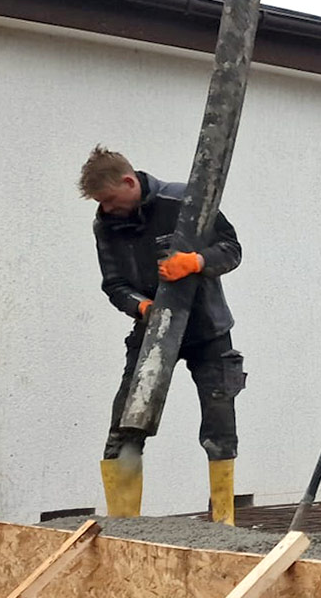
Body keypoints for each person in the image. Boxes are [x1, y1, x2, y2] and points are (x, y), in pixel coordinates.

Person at [79, 146, 245, 525]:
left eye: (108, 199)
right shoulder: (104, 223)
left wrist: (197, 262)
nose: (106, 208)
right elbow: (114, 283)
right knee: (125, 424)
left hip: (207, 329)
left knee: (219, 423)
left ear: (128, 181)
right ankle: (123, 523)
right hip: (151, 331)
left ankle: (225, 522)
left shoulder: (185, 201)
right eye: (100, 203)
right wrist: (141, 307)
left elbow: (232, 250)